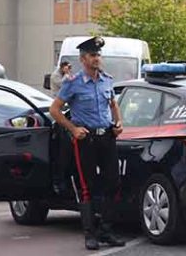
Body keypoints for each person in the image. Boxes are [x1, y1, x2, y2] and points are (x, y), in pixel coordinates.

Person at [49, 36, 125, 251]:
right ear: (83, 59)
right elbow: (54, 110)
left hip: (106, 137)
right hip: (86, 139)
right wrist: (72, 128)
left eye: (98, 55)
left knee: (113, 183)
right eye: (92, 55)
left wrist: (118, 123)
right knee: (87, 186)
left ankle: (106, 230)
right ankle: (89, 234)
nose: (97, 59)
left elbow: (113, 104)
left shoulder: (107, 80)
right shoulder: (73, 84)